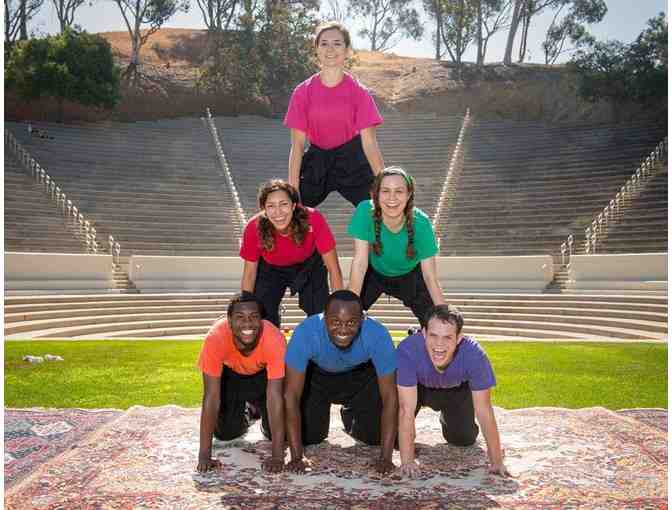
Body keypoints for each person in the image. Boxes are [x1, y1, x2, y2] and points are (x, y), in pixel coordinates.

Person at [283, 290, 398, 475]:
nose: (343, 330)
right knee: (311, 436)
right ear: (324, 317)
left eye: (351, 323)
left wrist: (386, 458)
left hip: (359, 378)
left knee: (373, 437)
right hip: (317, 379)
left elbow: (390, 397)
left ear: (362, 319)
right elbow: (291, 395)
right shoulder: (306, 332)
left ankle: (350, 414)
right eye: (335, 322)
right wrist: (296, 456)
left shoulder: (377, 334)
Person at [396, 305, 510, 479]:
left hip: (456, 390)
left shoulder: (474, 355)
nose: (439, 344)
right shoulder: (407, 350)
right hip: (418, 388)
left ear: (458, 339)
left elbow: (484, 410)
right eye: (433, 335)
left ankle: (448, 417)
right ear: (424, 333)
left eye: (447, 337)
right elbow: (406, 409)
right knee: (395, 439)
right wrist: (407, 462)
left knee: (463, 439)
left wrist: (496, 461)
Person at [284, 21, 385, 208]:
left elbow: (370, 143)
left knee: (377, 207)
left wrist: (384, 186)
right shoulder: (302, 92)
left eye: (337, 43)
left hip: (352, 159)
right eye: (324, 43)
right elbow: (297, 146)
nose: (330, 49)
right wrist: (293, 190)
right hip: (318, 157)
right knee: (291, 206)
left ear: (347, 50)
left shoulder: (359, 92)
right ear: (316, 49)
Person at [196, 292, 287, 474]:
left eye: (254, 317)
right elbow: (211, 397)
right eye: (240, 317)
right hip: (231, 378)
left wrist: (277, 456)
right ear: (229, 321)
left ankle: (259, 411)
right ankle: (249, 412)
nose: (247, 323)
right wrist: (204, 455)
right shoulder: (215, 337)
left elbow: (276, 395)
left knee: (275, 434)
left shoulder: (274, 338)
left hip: (263, 378)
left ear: (261, 320)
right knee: (226, 433)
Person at [347, 166, 445, 327]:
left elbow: (430, 277)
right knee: (346, 316)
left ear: (409, 195)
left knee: (434, 322)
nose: (392, 198)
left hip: (410, 276)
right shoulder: (365, 211)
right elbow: (360, 263)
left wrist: (446, 317)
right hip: (373, 274)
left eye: (399, 191)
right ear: (376, 194)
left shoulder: (421, 223)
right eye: (385, 191)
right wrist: (350, 306)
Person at [240, 179, 343, 327]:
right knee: (263, 315)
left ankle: (318, 339)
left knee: (319, 311)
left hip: (308, 266)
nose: (278, 212)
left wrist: (339, 303)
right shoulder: (253, 228)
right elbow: (250, 273)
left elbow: (333, 267)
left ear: (294, 205)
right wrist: (245, 308)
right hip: (270, 269)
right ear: (264, 209)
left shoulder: (313, 219)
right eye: (271, 206)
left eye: (284, 204)